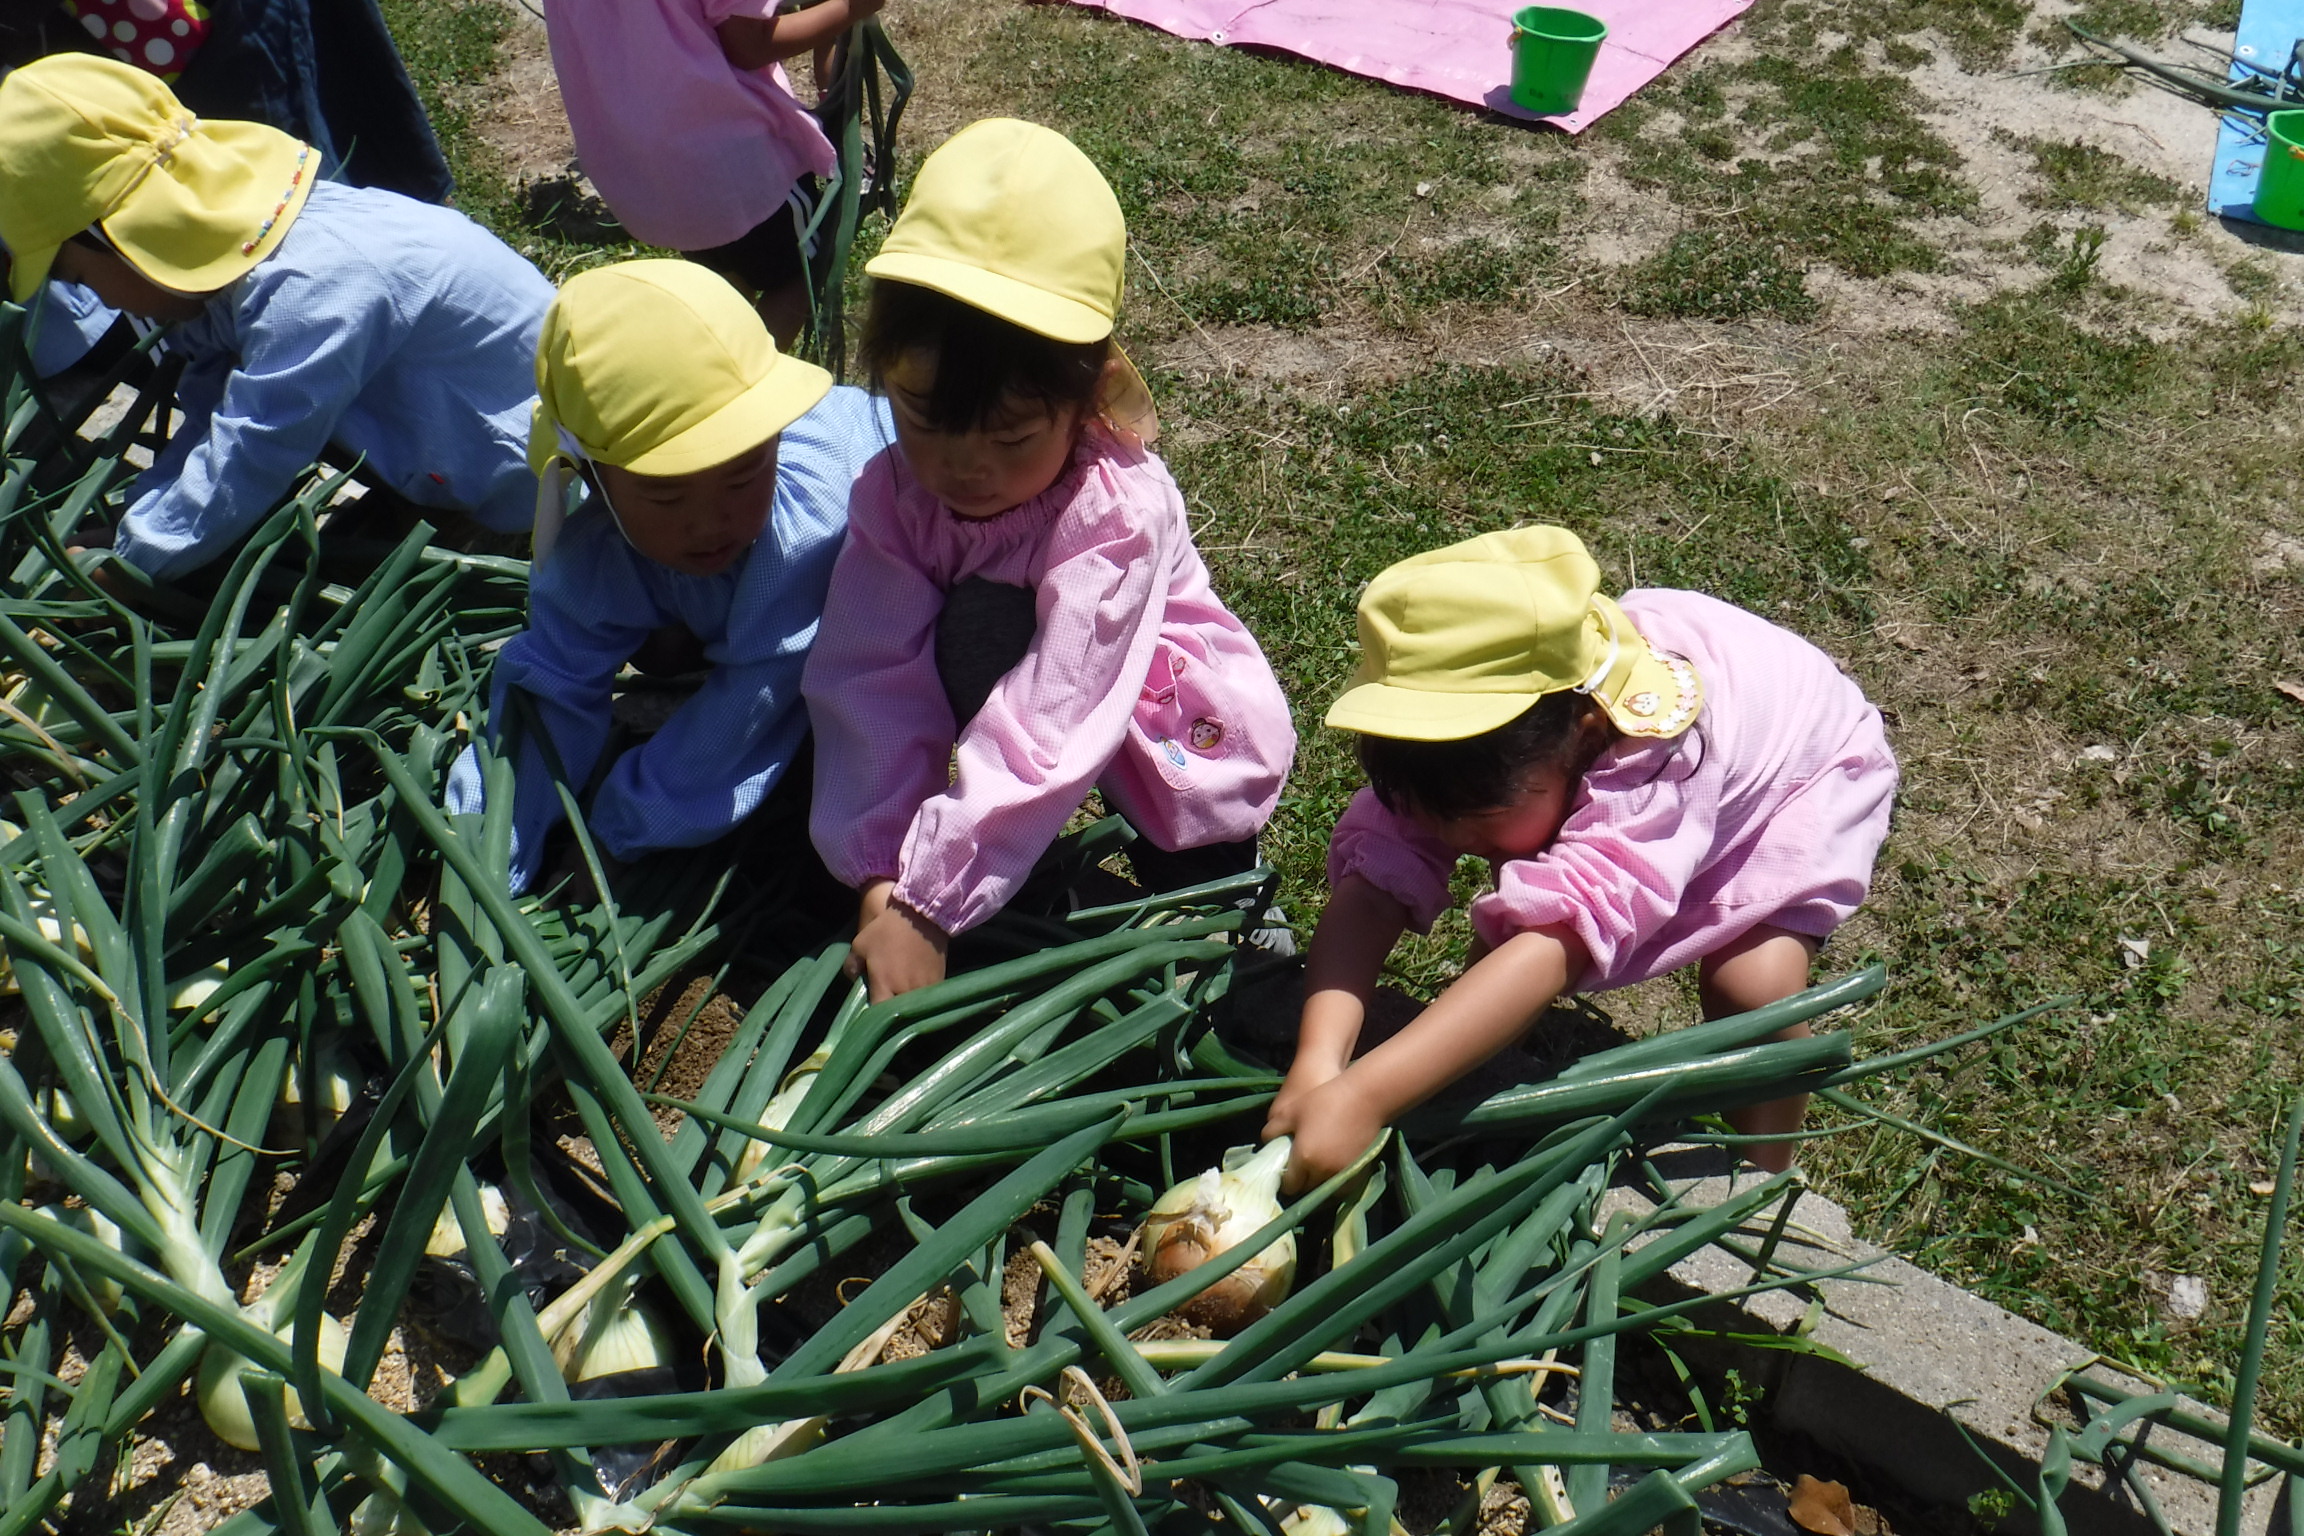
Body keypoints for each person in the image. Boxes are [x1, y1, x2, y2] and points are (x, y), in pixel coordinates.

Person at [804, 117, 1297, 1003]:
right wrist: (884, 868)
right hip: (1012, 691)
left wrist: (930, 903)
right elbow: (867, 671)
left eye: (1009, 434)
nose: (961, 464)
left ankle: (1228, 892)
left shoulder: (1114, 509)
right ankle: (1012, 874)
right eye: (923, 418)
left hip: (1153, 706)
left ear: (1088, 394)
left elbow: (1054, 716)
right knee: (973, 633)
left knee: (1192, 841)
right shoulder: (897, 495)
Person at [1264, 526, 1898, 1190]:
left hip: (1799, 769)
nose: (1447, 837)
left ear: (1585, 735)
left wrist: (1368, 1097)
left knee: (1751, 986)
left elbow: (1556, 942)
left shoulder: (1656, 767)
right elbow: (1372, 889)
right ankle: (1477, 1086)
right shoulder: (1446, 753)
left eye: (1475, 819)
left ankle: (1764, 1173)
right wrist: (1319, 1060)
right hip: (1726, 697)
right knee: (1505, 954)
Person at [0, 54, 551, 581]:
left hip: (545, 491)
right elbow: (214, 414)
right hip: (455, 451)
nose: (107, 304)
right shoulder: (255, 258)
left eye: (78, 279)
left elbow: (255, 445)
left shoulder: (311, 288)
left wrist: (134, 566)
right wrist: (136, 524)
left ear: (113, 240)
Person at [446, 259, 890, 896]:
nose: (711, 523)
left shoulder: (809, 523)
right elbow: (549, 682)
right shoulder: (596, 544)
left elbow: (755, 698)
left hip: (896, 584)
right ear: (594, 476)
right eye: (666, 495)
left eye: (744, 474)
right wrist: (484, 848)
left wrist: (619, 830)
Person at [539, 0, 888, 349]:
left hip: (644, 165)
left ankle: (715, 367)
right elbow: (750, 46)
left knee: (726, 282)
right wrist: (854, 5)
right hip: (731, 160)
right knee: (806, 270)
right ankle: (743, 386)